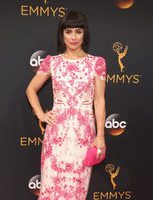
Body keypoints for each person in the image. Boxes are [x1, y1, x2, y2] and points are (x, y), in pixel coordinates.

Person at [26, 10, 107, 200]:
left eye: (78, 31)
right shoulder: (52, 63)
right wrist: (41, 114)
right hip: (56, 138)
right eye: (68, 31)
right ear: (61, 34)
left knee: (77, 192)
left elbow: (99, 100)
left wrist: (101, 135)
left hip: (84, 136)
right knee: (50, 190)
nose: (73, 37)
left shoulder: (96, 63)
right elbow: (30, 90)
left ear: (85, 33)